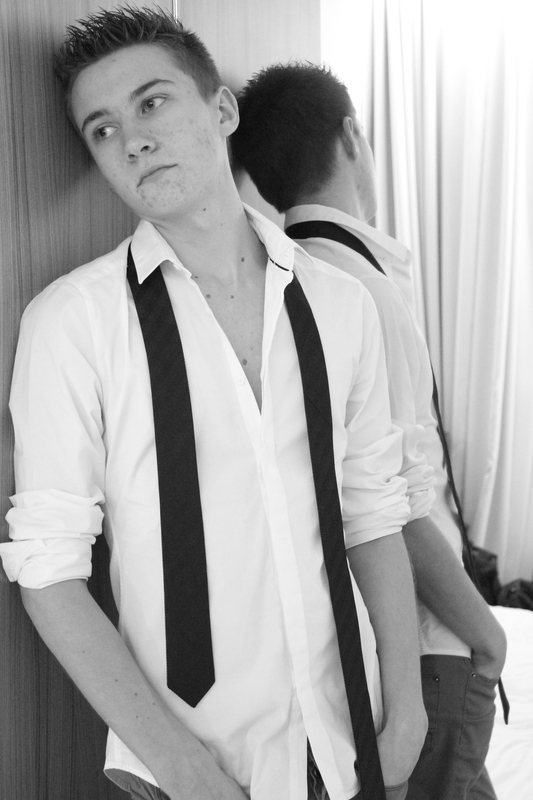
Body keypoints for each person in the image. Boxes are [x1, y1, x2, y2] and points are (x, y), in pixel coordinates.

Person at [0, 9, 428, 800]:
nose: (132, 140)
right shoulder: (72, 322)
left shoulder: (340, 304)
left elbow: (371, 511)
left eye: (152, 102)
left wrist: (405, 710)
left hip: (353, 743)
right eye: (103, 129)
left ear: (222, 109)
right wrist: (182, 770)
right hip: (188, 766)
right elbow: (48, 569)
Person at [231, 62, 509, 800]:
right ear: (352, 136)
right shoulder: (354, 288)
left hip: (396, 639)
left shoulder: (297, 276)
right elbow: (389, 501)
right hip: (428, 639)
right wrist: (486, 636)